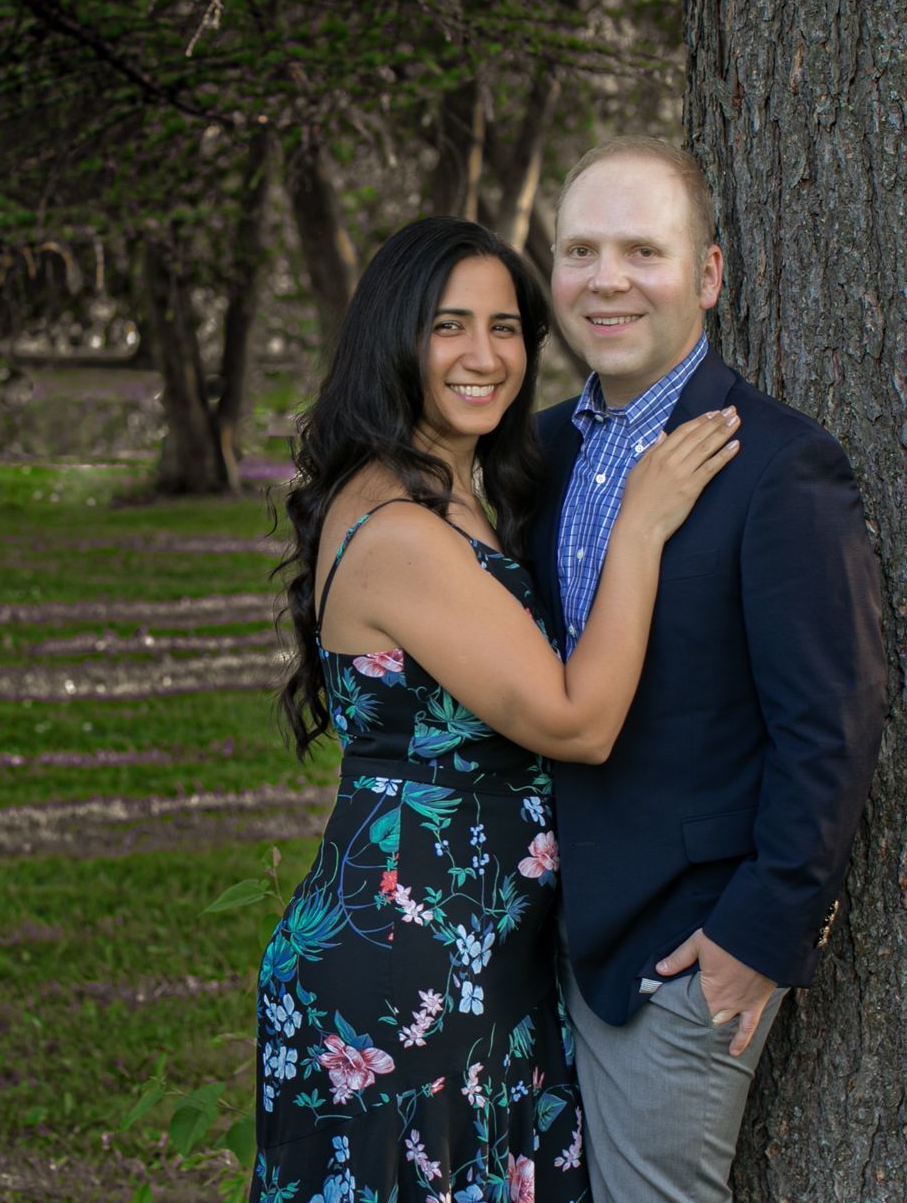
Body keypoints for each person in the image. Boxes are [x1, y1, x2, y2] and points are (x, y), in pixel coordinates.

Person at [252, 216, 743, 1203]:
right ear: (394, 338)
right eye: (450, 326)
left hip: (485, 965)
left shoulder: (465, 491)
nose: (486, 355)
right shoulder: (399, 528)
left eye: (507, 326)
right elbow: (577, 721)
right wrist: (641, 526)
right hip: (405, 974)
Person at [529, 136, 888, 1202]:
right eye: (581, 248)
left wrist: (758, 932)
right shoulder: (536, 452)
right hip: (534, 927)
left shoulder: (778, 465)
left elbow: (835, 720)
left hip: (680, 950)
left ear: (710, 273)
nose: (608, 278)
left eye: (644, 249)